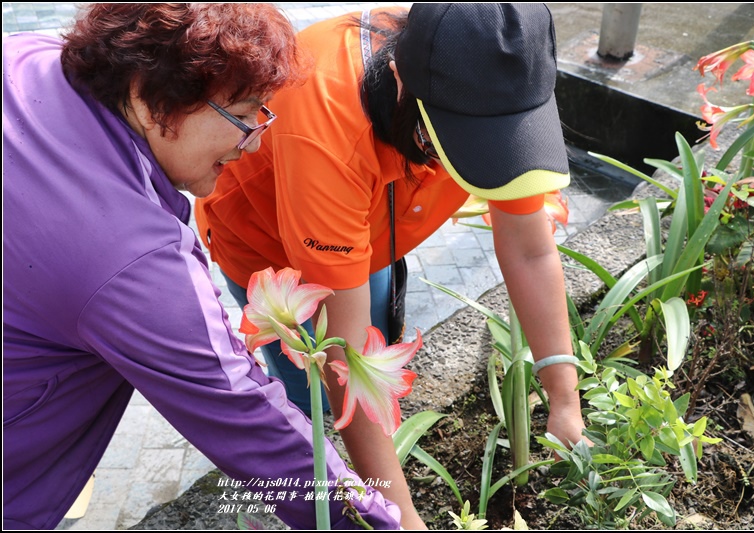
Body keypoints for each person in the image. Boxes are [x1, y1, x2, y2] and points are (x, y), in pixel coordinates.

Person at [2, 4, 401, 530]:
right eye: (244, 112)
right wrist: (382, 522)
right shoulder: (132, 263)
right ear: (148, 99)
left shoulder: (25, 57)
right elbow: (247, 418)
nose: (255, 140)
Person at [196, 3, 588, 530]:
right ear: (402, 81)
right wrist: (401, 518)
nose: (493, 159)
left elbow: (530, 248)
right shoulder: (324, 119)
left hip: (368, 232)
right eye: (469, 143)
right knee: (306, 389)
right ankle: (322, 488)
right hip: (274, 264)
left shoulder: (497, 82)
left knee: (370, 341)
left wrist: (564, 398)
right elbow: (347, 360)